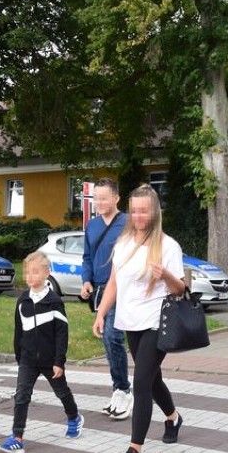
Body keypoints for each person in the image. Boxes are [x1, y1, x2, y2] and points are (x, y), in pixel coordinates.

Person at [93, 184, 186, 453]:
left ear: (155, 211)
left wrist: (166, 274)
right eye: (134, 210)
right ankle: (172, 417)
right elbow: (114, 283)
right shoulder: (123, 244)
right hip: (130, 321)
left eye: (144, 210)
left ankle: (135, 448)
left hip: (157, 322)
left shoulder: (168, 246)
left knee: (142, 381)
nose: (138, 215)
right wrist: (102, 313)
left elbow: (181, 289)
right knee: (152, 378)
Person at [0, 251, 84, 453]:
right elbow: (18, 331)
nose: (30, 277)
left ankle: (74, 417)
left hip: (49, 360)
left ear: (46, 273)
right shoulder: (23, 301)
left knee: (61, 392)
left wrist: (59, 361)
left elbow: (62, 333)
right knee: (21, 396)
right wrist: (20, 357)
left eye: (35, 272)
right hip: (27, 360)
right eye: (27, 272)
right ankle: (17, 437)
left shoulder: (54, 302)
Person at [80, 178, 132, 420]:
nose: (99, 202)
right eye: (96, 198)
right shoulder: (91, 226)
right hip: (101, 289)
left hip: (123, 289)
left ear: (116, 198)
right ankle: (118, 388)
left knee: (112, 336)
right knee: (108, 340)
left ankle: (123, 389)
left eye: (103, 198)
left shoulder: (128, 223)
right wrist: (86, 280)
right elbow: (87, 257)